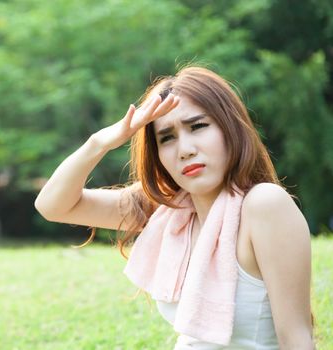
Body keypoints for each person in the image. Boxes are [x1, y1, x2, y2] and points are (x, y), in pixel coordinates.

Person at [35, 66, 316, 349]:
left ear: (230, 127)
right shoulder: (166, 210)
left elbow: (297, 338)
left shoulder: (264, 205)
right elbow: (52, 206)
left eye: (198, 126)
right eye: (167, 137)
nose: (185, 149)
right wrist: (100, 142)